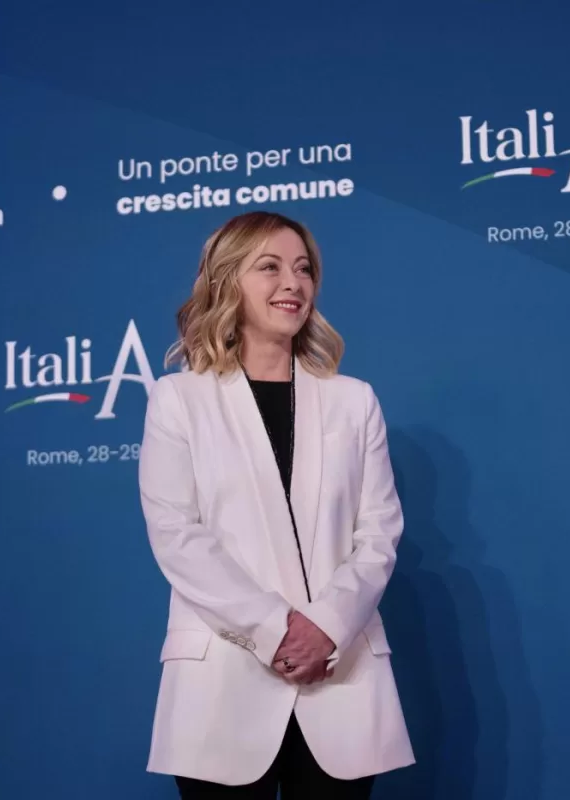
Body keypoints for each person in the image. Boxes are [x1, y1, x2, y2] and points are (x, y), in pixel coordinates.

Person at [137, 210, 414, 798]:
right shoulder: (179, 400)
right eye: (270, 267)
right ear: (227, 281)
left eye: (303, 269)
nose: (293, 283)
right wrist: (276, 630)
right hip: (223, 680)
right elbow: (177, 535)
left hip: (339, 678)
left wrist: (327, 627)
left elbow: (379, 533)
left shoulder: (354, 402)